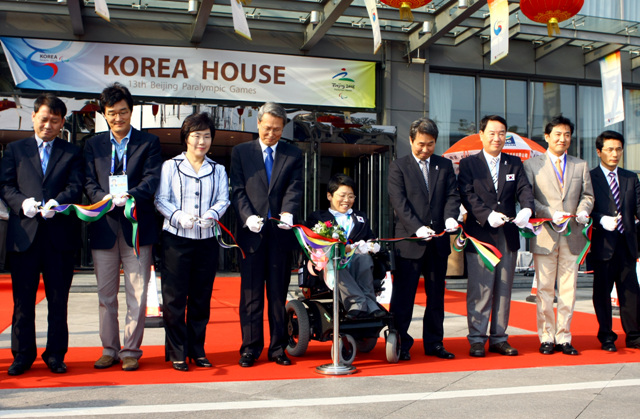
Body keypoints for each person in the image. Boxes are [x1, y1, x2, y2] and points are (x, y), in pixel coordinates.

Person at [0, 93, 83, 375]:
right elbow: (5, 185)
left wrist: (58, 203)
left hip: (59, 237)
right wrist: (21, 203)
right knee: (23, 301)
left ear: (62, 122)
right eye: (44, 119)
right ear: (34, 116)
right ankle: (22, 355)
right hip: (25, 235)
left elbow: (76, 186)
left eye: (55, 121)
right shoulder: (15, 149)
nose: (48, 125)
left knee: (58, 301)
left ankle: (55, 355)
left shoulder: (71, 152)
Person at [84, 82, 162, 371]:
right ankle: (109, 349)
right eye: (112, 113)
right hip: (104, 226)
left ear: (131, 111)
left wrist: (131, 196)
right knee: (106, 295)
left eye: (123, 111)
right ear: (104, 114)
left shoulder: (149, 142)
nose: (118, 118)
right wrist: (102, 197)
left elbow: (152, 179)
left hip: (137, 228)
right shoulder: (93, 145)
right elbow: (87, 180)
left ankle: (130, 350)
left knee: (137, 294)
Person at [154, 112, 230, 371]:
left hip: (206, 241)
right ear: (186, 137)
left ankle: (197, 350)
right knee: (174, 299)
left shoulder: (218, 169)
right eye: (197, 136)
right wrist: (178, 216)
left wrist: (213, 214)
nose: (202, 142)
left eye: (207, 136)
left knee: (201, 298)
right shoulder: (170, 166)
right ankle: (177, 350)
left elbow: (223, 199)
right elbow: (160, 199)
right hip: (176, 240)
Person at [230, 102, 303, 367]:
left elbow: (295, 187)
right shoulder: (241, 152)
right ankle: (250, 349)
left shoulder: (293, 154)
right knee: (250, 296)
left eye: (277, 129)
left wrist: (288, 212)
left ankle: (277, 348)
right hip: (252, 235)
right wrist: (247, 216)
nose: (271, 134)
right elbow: (237, 189)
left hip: (280, 235)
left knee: (277, 294)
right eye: (267, 128)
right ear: (258, 123)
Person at [458, 115, 534, 358]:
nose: (497, 138)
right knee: (480, 288)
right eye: (491, 133)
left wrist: (527, 209)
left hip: (507, 234)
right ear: (481, 135)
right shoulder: (469, 164)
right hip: (481, 235)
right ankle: (477, 338)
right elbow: (467, 194)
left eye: (501, 133)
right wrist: (486, 215)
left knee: (503, 288)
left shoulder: (514, 163)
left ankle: (499, 338)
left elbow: (524, 189)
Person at [388, 118, 460, 361]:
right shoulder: (399, 166)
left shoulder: (444, 165)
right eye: (421, 144)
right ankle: (401, 343)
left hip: (438, 242)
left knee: (436, 296)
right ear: (411, 140)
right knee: (404, 296)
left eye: (430, 144)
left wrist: (450, 218)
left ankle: (434, 343)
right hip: (409, 242)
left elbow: (452, 196)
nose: (425, 149)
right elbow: (399, 202)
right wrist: (417, 228)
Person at [523, 115, 594, 356]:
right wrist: (550, 213)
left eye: (567, 135)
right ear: (547, 136)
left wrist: (583, 210)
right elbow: (528, 199)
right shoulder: (532, 165)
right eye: (557, 134)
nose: (562, 139)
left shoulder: (580, 165)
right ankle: (546, 336)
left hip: (572, 235)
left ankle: (564, 336)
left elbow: (588, 195)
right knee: (544, 289)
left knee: (568, 289)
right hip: (545, 234)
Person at [306, 173, 384, 319]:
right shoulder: (318, 218)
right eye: (342, 196)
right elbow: (315, 244)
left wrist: (372, 245)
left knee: (364, 258)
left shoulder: (360, 217)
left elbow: (370, 237)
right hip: (330, 264)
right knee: (336, 260)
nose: (346, 200)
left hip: (357, 262)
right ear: (329, 196)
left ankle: (370, 304)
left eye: (351, 196)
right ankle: (357, 303)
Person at [589, 130, 640, 351]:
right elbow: (585, 209)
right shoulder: (589, 177)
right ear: (599, 151)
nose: (615, 154)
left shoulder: (630, 177)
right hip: (602, 245)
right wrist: (600, 219)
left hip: (627, 244)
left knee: (631, 293)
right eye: (609, 149)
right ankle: (607, 337)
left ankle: (634, 336)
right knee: (602, 293)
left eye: (618, 149)